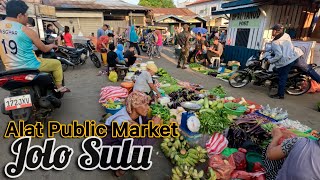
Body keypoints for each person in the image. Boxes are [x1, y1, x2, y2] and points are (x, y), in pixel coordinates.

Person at [0, 0, 70, 92]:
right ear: (20, 16)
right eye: (26, 15)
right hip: (31, 66)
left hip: (10, 70)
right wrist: (52, 45)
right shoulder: (27, 31)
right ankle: (59, 87)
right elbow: (44, 49)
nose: (27, 18)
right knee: (56, 64)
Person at [102, 91, 161, 177]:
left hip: (121, 142)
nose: (148, 108)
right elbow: (142, 145)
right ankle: (118, 170)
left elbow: (144, 123)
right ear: (134, 106)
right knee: (137, 151)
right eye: (145, 105)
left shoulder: (135, 114)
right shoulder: (122, 123)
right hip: (110, 148)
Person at [267, 24, 303, 99]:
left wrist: (270, 61)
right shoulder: (286, 35)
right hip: (294, 56)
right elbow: (282, 47)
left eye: (272, 30)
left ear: (276, 31)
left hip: (286, 61)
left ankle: (280, 95)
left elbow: (279, 55)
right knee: (277, 70)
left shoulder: (275, 42)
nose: (271, 32)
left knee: (282, 78)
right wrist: (265, 50)